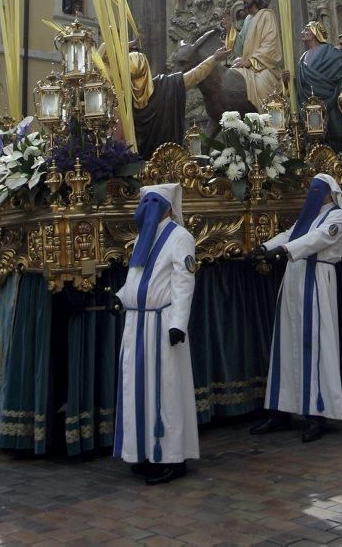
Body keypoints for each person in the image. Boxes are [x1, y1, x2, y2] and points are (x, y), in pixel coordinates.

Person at [250, 173, 342, 442]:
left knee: (315, 343)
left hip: (317, 278)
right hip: (295, 277)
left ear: (331, 192)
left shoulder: (338, 217)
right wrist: (266, 246)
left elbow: (317, 240)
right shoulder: (308, 215)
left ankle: (316, 412)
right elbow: (291, 233)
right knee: (285, 342)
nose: (313, 192)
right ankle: (281, 409)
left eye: (318, 189)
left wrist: (283, 250)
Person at [111, 183, 198, 485]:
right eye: (144, 201)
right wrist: (121, 297)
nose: (147, 206)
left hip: (162, 324)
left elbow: (184, 281)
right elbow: (134, 277)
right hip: (137, 323)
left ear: (168, 206)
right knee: (138, 389)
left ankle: (173, 457)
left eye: (153, 201)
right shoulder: (142, 238)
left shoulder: (180, 237)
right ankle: (143, 451)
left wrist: (178, 323)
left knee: (166, 390)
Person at [130, 46, 229, 159]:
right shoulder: (166, 86)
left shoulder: (124, 97)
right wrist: (214, 58)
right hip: (168, 159)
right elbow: (195, 75)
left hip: (137, 161)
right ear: (146, 68)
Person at [296, 22, 342, 147]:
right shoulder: (303, 57)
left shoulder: (331, 52)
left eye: (307, 30)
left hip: (330, 102)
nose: (303, 32)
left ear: (316, 32)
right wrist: (286, 81)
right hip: (308, 107)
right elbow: (300, 84)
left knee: (336, 139)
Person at [230, 0, 283, 110]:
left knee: (261, 86)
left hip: (263, 66)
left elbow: (270, 45)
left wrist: (251, 61)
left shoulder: (267, 15)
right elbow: (240, 48)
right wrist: (230, 31)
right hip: (247, 66)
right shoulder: (248, 19)